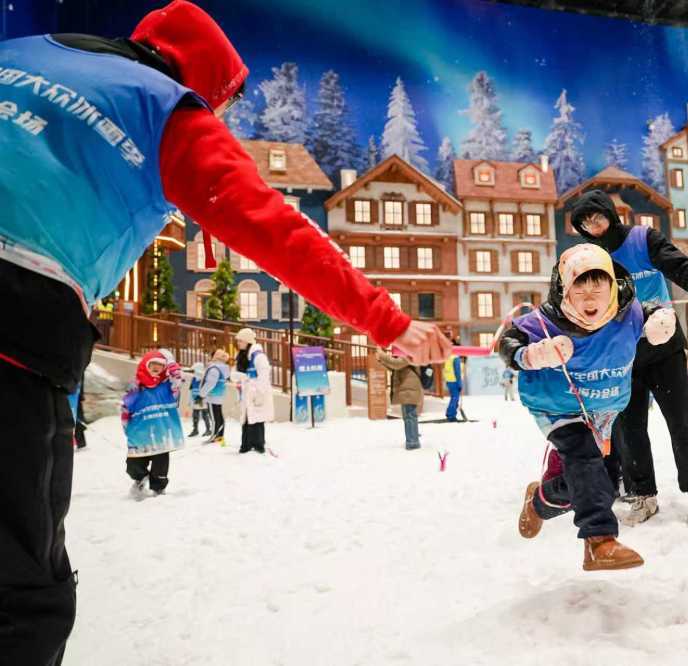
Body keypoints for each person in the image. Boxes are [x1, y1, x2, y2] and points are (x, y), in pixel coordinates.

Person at [0, 3, 451, 660]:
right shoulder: (168, 110)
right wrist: (392, 322)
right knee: (19, 593)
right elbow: (281, 233)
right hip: (16, 325)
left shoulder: (22, 50)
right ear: (209, 84)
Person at [569, 191, 688, 530]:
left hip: (664, 348)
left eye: (596, 216)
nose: (592, 225)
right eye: (584, 222)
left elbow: (682, 269)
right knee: (631, 430)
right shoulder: (589, 257)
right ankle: (643, 494)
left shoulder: (642, 239)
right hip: (622, 355)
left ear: (609, 213)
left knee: (681, 424)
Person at [502, 243, 675, 570]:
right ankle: (599, 542)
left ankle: (539, 501)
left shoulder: (630, 314)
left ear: (613, 284)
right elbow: (508, 341)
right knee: (584, 459)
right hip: (557, 407)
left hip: (604, 410)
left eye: (598, 282)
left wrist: (661, 320)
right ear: (566, 288)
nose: (590, 293)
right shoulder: (545, 322)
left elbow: (654, 310)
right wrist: (530, 356)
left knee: (594, 484)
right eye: (580, 284)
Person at [121, 350, 185, 499]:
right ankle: (141, 478)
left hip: (161, 434)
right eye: (153, 364)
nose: (157, 367)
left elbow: (177, 386)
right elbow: (125, 408)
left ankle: (158, 488)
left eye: (160, 365)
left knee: (160, 467)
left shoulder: (167, 387)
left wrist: (176, 373)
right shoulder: (135, 387)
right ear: (145, 365)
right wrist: (125, 426)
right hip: (140, 434)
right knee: (133, 465)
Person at [233, 328, 273, 454]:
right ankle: (246, 444)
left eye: (240, 341)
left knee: (256, 418)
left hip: (256, 393)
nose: (238, 343)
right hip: (247, 392)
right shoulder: (243, 355)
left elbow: (264, 375)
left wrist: (259, 393)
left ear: (247, 341)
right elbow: (236, 372)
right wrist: (238, 377)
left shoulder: (258, 356)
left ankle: (257, 445)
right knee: (246, 418)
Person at [377, 349, 424, 450]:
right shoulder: (405, 353)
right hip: (407, 388)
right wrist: (382, 360)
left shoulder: (410, 353)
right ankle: (412, 439)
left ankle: (413, 441)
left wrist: (382, 356)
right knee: (408, 416)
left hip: (410, 388)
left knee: (410, 415)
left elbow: (397, 364)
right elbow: (394, 367)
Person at [200, 349, 230, 444]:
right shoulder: (224, 368)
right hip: (219, 395)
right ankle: (220, 436)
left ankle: (214, 436)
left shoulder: (214, 368)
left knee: (214, 417)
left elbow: (210, 383)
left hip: (212, 396)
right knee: (219, 415)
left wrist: (202, 394)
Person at [187, 362, 211, 437]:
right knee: (195, 415)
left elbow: (206, 390)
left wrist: (203, 398)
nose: (193, 372)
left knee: (205, 415)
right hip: (195, 399)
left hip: (202, 400)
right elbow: (191, 389)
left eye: (194, 371)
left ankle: (208, 429)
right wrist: (190, 400)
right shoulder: (193, 379)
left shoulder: (204, 379)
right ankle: (195, 429)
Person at [443, 346, 463, 422]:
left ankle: (450, 413)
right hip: (454, 381)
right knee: (455, 398)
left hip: (449, 380)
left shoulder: (449, 357)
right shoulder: (456, 358)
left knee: (453, 397)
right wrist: (460, 384)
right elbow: (457, 372)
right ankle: (451, 415)